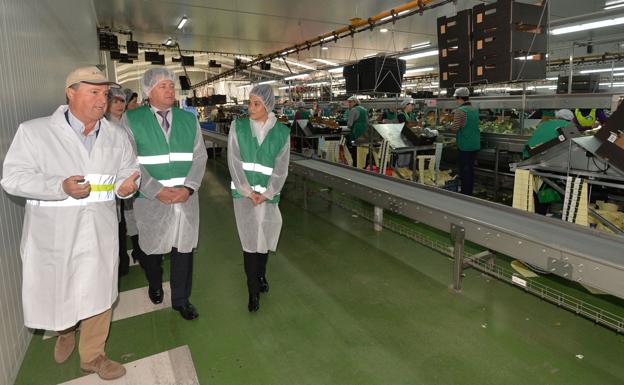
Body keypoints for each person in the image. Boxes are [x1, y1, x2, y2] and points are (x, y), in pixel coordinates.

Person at [1, 66, 140, 380]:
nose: (102, 99)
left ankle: (93, 356)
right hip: (56, 232)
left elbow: (127, 173)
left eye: (105, 93)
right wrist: (58, 186)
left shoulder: (116, 136)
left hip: (100, 230)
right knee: (60, 288)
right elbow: (12, 178)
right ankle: (65, 330)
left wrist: (127, 186)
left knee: (100, 292)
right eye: (93, 92)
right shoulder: (35, 132)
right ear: (71, 92)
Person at [123, 68, 207, 320]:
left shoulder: (188, 119)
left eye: (171, 85)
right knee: (151, 249)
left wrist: (189, 188)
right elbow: (129, 162)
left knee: (183, 249)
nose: (170, 89)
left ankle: (181, 300)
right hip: (151, 199)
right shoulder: (132, 120)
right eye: (163, 86)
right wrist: (156, 190)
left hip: (185, 199)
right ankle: (155, 283)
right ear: (149, 92)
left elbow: (200, 156)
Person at [228, 84, 290, 313]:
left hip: (267, 196)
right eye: (249, 103)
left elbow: (281, 168)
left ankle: (261, 276)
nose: (250, 108)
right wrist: (247, 191)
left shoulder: (282, 133)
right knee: (249, 243)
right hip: (244, 196)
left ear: (267, 106)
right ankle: (252, 290)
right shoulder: (239, 127)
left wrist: (267, 193)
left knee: (263, 239)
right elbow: (233, 161)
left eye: (256, 103)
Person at [451, 87, 480, 196]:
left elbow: (455, 128)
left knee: (464, 171)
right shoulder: (474, 109)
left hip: (465, 145)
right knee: (470, 170)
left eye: (456, 99)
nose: (456, 101)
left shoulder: (460, 111)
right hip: (475, 144)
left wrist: (448, 125)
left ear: (459, 98)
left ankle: (465, 194)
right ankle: (469, 192)